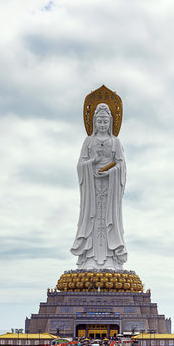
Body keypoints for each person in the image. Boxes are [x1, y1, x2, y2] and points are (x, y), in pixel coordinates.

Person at [71, 103, 127, 270]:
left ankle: (110, 258)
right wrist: (92, 162)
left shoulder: (115, 142)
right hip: (92, 188)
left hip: (110, 188)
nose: (102, 125)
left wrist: (111, 172)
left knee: (109, 220)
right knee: (92, 219)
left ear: (110, 123)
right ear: (94, 123)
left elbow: (122, 166)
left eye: (105, 122)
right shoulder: (88, 141)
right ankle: (89, 259)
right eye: (99, 122)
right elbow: (80, 165)